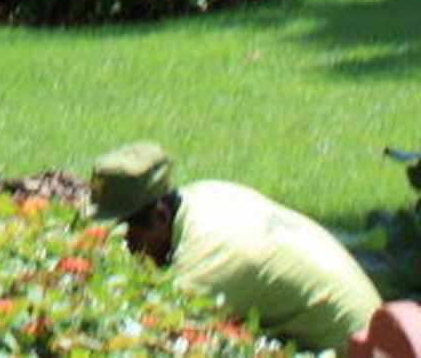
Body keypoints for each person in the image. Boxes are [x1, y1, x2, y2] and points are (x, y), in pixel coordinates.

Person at [93, 142, 382, 354]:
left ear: (159, 216)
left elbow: (155, 333)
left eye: (129, 230)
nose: (126, 244)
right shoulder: (204, 194)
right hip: (368, 328)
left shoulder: (209, 262)